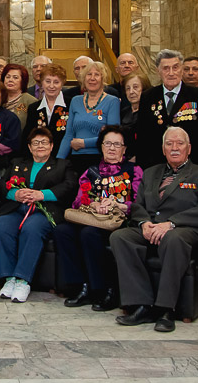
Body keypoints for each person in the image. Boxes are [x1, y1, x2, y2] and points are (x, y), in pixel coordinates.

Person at [111, 126, 198, 332]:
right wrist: (144, 223)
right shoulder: (151, 173)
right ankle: (141, 304)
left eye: (180, 143)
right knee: (120, 237)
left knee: (173, 239)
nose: (174, 148)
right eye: (169, 144)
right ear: (163, 149)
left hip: (188, 230)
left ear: (189, 148)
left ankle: (165, 309)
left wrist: (171, 224)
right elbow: (138, 205)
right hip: (153, 227)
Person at [56, 125, 142, 311]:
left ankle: (104, 289)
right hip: (93, 217)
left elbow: (139, 201)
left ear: (124, 149)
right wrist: (94, 204)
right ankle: (80, 286)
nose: (112, 148)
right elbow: (80, 199)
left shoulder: (134, 170)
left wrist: (118, 205)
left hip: (119, 221)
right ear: (101, 146)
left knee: (89, 234)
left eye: (117, 144)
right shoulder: (92, 171)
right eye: (108, 143)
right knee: (62, 230)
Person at [0, 127, 76, 303]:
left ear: (52, 146)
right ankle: (9, 279)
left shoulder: (62, 165)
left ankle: (23, 280)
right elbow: (1, 184)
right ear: (29, 147)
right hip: (17, 208)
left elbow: (69, 187)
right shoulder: (17, 163)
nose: (40, 146)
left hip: (44, 210)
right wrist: (14, 194)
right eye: (36, 143)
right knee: (1, 226)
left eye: (44, 142)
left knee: (32, 228)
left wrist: (42, 194)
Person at [135, 49, 198, 168]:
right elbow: (143, 135)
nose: (171, 73)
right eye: (166, 68)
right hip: (156, 165)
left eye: (175, 67)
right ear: (158, 71)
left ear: (182, 69)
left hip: (192, 165)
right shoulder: (148, 96)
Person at [58, 61, 122, 174]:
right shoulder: (75, 100)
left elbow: (112, 136)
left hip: (100, 159)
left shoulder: (113, 101)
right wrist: (59, 162)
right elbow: (68, 135)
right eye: (89, 74)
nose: (92, 78)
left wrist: (84, 143)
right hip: (76, 159)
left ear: (103, 79)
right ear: (83, 78)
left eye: (97, 74)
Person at [21, 62, 70, 154]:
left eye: (56, 82)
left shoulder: (71, 105)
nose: (51, 86)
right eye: (47, 81)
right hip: (39, 158)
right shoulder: (33, 108)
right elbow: (27, 137)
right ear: (42, 83)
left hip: (65, 159)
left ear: (62, 84)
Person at [1, 63, 36, 129]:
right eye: (8, 77)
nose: (10, 80)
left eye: (15, 77)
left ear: (23, 81)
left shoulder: (31, 101)